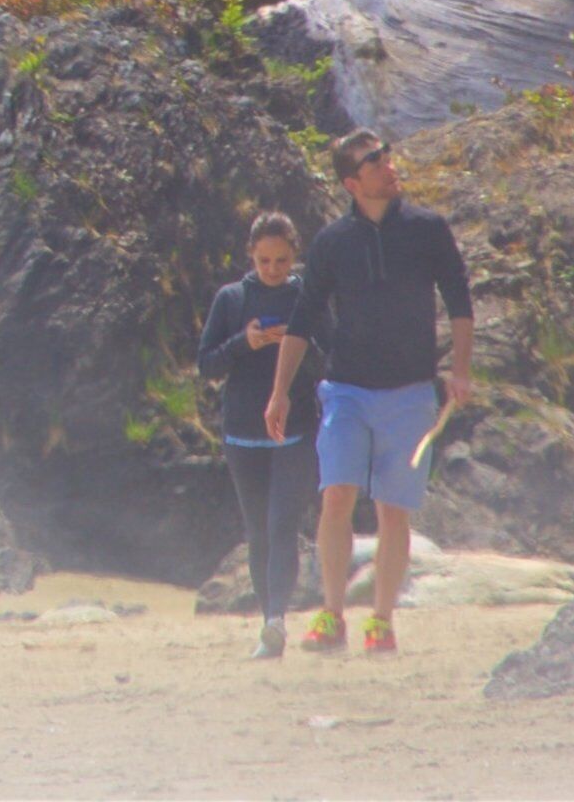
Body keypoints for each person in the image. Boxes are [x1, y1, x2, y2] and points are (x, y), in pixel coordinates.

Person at [265, 127, 475, 655]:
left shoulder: (427, 230)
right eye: (376, 160)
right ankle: (331, 615)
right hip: (346, 391)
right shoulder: (334, 242)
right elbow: (304, 315)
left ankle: (380, 620)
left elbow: (459, 301)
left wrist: (462, 371)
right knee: (336, 496)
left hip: (410, 392)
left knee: (393, 510)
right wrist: (279, 392)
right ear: (353, 181)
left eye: (387, 155)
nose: (389, 165)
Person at [196, 211, 320, 658]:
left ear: (294, 257)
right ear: (250, 255)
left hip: (297, 431)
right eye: (265, 261)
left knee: (283, 524)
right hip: (243, 433)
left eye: (282, 261)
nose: (273, 270)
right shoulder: (231, 299)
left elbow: (330, 359)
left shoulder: (306, 297)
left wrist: (296, 344)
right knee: (259, 531)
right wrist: (243, 343)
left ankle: (276, 619)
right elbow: (206, 364)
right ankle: (270, 625)